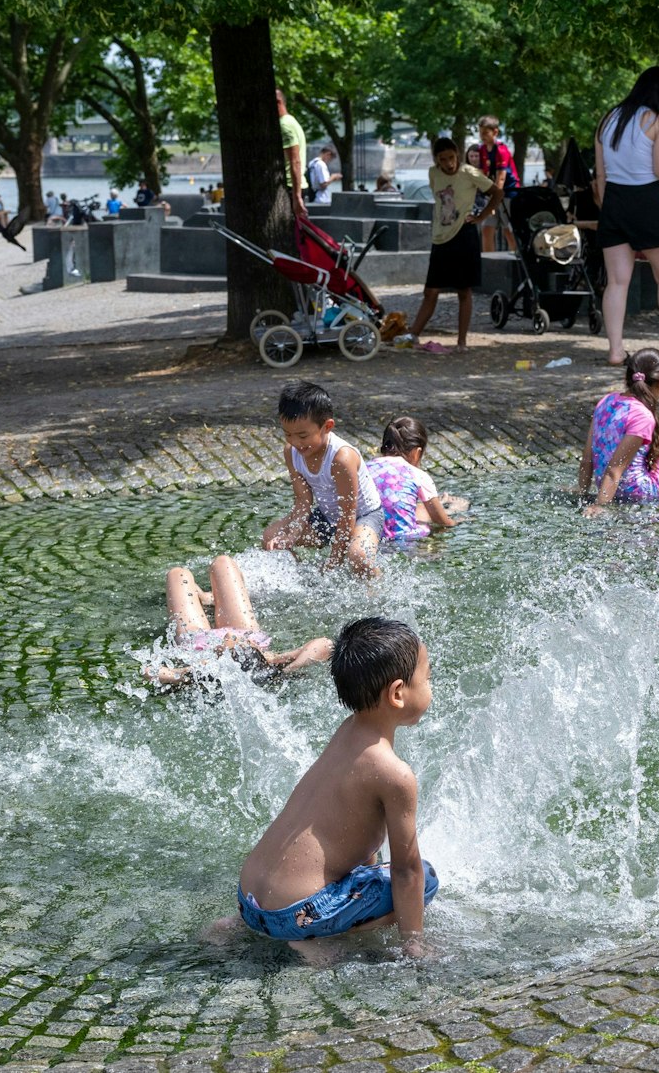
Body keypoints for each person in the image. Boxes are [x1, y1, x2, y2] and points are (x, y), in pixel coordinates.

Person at [222, 617, 437, 961]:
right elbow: (405, 870)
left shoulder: (347, 732)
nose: (430, 687)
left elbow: (359, 839)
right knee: (426, 878)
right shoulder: (395, 774)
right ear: (398, 693)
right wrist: (414, 943)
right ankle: (315, 941)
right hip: (295, 915)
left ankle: (236, 926)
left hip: (248, 899)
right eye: (427, 678)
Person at [593, 67, 659, 367]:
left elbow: (600, 174)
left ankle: (615, 351)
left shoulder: (608, 119)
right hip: (646, 200)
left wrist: (607, 206)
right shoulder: (656, 120)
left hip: (614, 200)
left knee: (616, 281)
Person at [147, 557, 335, 687]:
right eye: (240, 642)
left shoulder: (203, 666)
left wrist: (188, 672)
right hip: (246, 629)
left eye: (225, 645)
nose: (229, 635)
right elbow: (326, 644)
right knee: (223, 563)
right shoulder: (269, 660)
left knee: (178, 574)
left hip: (197, 640)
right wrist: (284, 667)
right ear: (255, 649)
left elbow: (150, 671)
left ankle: (205, 599)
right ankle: (207, 598)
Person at [261, 381, 382, 578]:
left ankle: (376, 588)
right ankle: (299, 580)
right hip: (327, 517)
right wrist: (292, 535)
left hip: (363, 517)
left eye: (302, 435)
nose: (295, 442)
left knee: (359, 556)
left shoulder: (341, 458)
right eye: (288, 434)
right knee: (271, 537)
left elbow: (347, 515)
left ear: (327, 426)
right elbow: (303, 501)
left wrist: (333, 561)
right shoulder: (291, 452)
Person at [580, 349, 659, 509]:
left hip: (608, 487)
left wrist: (582, 493)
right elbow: (614, 470)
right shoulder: (642, 416)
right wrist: (599, 505)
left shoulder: (606, 402)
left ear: (627, 377)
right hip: (641, 493)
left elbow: (587, 458)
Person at [403, 137, 500, 352]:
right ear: (436, 160)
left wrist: (481, 216)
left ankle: (462, 341)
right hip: (440, 237)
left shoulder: (469, 173)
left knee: (464, 290)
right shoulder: (433, 173)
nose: (448, 163)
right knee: (431, 290)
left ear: (457, 154)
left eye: (451, 158)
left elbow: (496, 192)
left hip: (464, 235)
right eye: (443, 159)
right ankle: (413, 334)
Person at [364, 416, 469, 542]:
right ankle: (450, 509)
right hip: (403, 541)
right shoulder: (417, 474)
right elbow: (442, 522)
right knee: (429, 524)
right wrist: (459, 522)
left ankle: (439, 505)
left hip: (366, 537)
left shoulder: (365, 468)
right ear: (417, 452)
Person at [469, 116, 517, 253]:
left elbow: (501, 179)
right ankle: (489, 261)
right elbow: (485, 173)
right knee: (487, 228)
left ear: (495, 132)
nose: (482, 136)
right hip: (492, 195)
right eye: (480, 132)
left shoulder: (501, 151)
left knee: (508, 230)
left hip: (507, 194)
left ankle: (516, 258)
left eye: (485, 133)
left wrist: (493, 200)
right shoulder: (482, 149)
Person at [277, 89, 307, 215]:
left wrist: (296, 196)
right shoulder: (291, 120)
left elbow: (295, 161)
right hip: (294, 187)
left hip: (290, 187)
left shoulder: (284, 125)